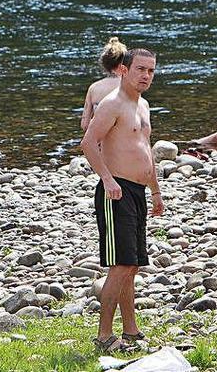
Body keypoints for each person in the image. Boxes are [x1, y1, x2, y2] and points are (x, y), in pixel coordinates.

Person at [80, 48, 165, 353]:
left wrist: (155, 190)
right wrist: (107, 178)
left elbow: (147, 148)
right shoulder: (112, 104)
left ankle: (130, 330)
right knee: (121, 264)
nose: (146, 76)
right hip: (116, 191)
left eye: (151, 71)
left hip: (138, 191)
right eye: (141, 69)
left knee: (132, 265)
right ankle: (104, 336)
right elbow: (88, 143)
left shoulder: (143, 106)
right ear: (124, 70)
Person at [80, 37, 126, 131]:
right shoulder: (128, 86)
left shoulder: (93, 88)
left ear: (105, 64)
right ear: (124, 63)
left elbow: (85, 125)